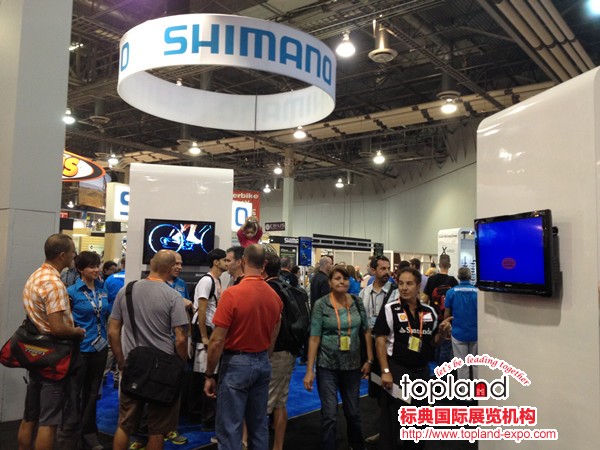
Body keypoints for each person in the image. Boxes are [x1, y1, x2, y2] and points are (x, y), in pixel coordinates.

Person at [108, 250, 189, 450]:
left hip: (133, 365)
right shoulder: (173, 296)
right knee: (157, 429)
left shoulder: (126, 290)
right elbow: (180, 338)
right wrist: (182, 363)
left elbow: (113, 331)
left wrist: (121, 361)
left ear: (151, 264)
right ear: (170, 269)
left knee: (125, 424)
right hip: (163, 370)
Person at [204, 245, 282, 450]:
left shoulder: (232, 294)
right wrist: (264, 356)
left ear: (244, 261)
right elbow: (274, 333)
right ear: (264, 264)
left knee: (230, 428)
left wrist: (209, 373)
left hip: (236, 364)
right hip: (262, 361)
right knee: (258, 425)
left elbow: (217, 340)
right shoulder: (274, 296)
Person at [17, 234, 86, 450]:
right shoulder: (54, 284)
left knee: (30, 416)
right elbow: (57, 328)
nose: (74, 256)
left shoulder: (35, 276)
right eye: (73, 252)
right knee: (49, 421)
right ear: (62, 255)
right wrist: (77, 332)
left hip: (35, 354)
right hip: (53, 358)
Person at [373, 267, 453, 450]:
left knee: (419, 419)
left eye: (409, 283)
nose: (404, 288)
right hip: (398, 370)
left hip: (422, 372)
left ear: (418, 287)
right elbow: (380, 341)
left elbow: (433, 342)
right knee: (395, 420)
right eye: (401, 283)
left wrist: (441, 334)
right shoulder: (390, 309)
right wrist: (385, 371)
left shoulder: (429, 312)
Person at [303, 266, 374, 450]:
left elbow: (366, 331)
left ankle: (357, 446)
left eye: (345, 278)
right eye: (337, 278)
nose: (342, 282)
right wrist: (309, 370)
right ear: (330, 282)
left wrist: (369, 359)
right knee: (329, 414)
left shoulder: (357, 302)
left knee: (353, 412)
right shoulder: (321, 304)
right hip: (327, 366)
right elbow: (314, 337)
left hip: (352, 366)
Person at [67, 251, 110, 450]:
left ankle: (89, 432)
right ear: (80, 269)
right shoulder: (72, 292)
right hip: (80, 349)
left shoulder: (102, 288)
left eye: (97, 265)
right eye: (91, 266)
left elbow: (107, 315)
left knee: (93, 393)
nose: (96, 269)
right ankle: (72, 433)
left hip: (100, 348)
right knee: (74, 393)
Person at [357, 255, 398, 444]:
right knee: (378, 391)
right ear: (373, 271)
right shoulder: (364, 293)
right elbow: (362, 321)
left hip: (390, 349)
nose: (387, 272)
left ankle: (392, 432)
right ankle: (384, 431)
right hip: (370, 347)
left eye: (388, 268)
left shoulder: (396, 293)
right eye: (382, 268)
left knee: (392, 391)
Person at [262, 254, 298, 450]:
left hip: (275, 352)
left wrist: (265, 353)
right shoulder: (286, 287)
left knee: (264, 405)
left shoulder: (269, 289)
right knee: (279, 403)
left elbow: (272, 326)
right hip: (288, 350)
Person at [193, 248, 227, 430]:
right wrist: (204, 337)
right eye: (225, 260)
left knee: (211, 373)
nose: (227, 263)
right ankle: (206, 419)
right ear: (216, 262)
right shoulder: (207, 281)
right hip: (205, 332)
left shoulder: (217, 280)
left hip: (212, 331)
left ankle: (208, 417)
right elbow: (202, 310)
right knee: (206, 374)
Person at [422, 253, 457, 365]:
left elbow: (425, 299)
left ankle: (434, 366)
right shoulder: (453, 281)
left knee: (434, 341)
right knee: (445, 344)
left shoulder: (431, 279)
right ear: (450, 265)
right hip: (447, 318)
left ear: (439, 264)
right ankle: (442, 369)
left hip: (433, 316)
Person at [444, 267, 478, 380]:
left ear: (458, 277)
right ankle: (479, 389)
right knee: (477, 364)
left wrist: (447, 330)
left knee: (461, 365)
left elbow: (446, 315)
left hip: (458, 333)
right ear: (470, 277)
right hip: (476, 332)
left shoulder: (450, 292)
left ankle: (464, 389)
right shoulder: (478, 292)